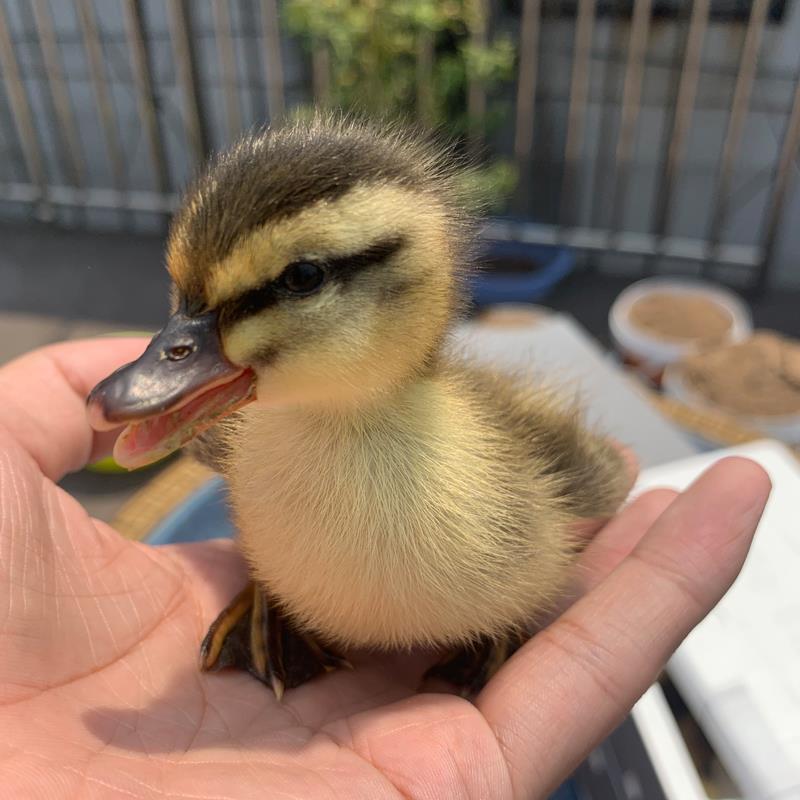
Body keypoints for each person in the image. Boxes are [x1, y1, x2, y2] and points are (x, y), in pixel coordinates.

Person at [0, 338, 770, 799]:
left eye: (297, 278)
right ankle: (281, 595)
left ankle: (477, 632)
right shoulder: (255, 435)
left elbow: (593, 471)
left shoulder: (507, 468)